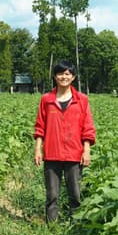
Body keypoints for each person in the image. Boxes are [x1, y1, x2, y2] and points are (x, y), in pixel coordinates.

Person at [33, 60, 96, 223]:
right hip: (52, 153)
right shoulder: (46, 99)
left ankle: (75, 225)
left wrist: (86, 150)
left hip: (74, 154)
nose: (64, 77)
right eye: (60, 73)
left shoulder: (82, 100)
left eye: (67, 74)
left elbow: (87, 127)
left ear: (73, 77)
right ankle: (51, 227)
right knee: (52, 194)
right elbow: (40, 126)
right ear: (55, 76)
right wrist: (38, 149)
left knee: (75, 194)